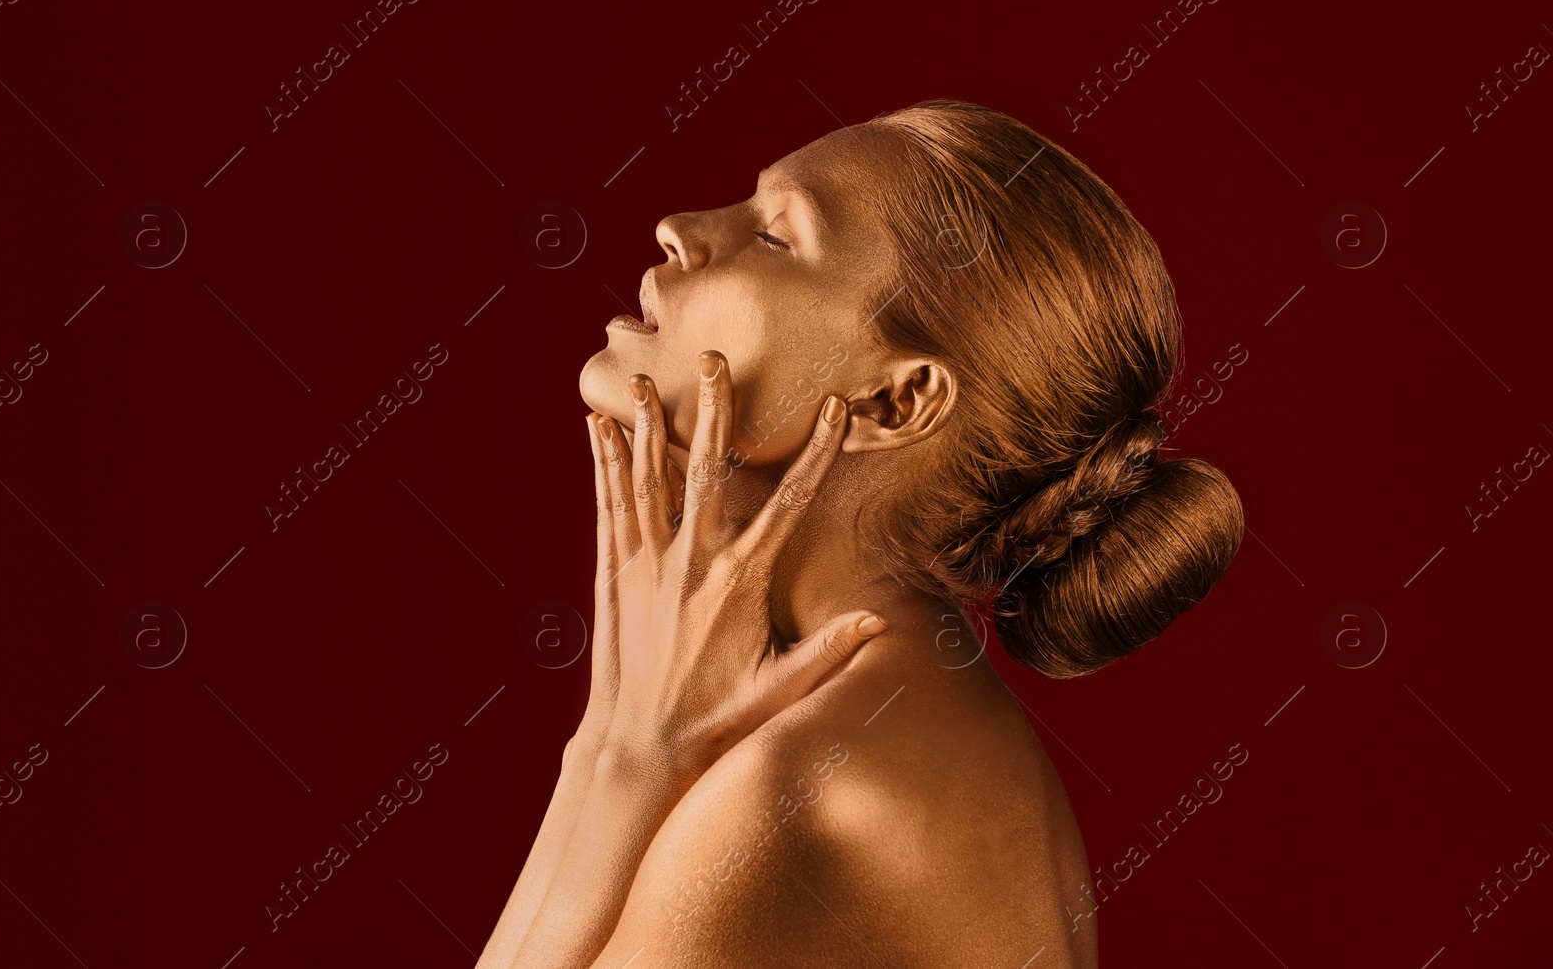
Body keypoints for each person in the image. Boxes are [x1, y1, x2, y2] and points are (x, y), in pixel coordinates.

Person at [477, 99, 1244, 968]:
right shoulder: (909, 702)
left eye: (777, 237)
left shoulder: (797, 788)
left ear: (897, 400)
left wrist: (622, 761)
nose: (680, 230)